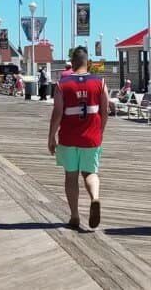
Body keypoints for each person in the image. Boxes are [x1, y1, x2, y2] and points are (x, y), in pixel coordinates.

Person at [48, 46, 108, 231]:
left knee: (71, 176)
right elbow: (105, 111)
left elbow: (57, 113)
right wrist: (101, 131)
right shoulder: (100, 83)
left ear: (73, 63)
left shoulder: (62, 84)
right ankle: (95, 197)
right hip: (91, 137)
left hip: (68, 138)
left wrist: (51, 137)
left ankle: (74, 216)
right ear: (87, 62)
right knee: (90, 173)